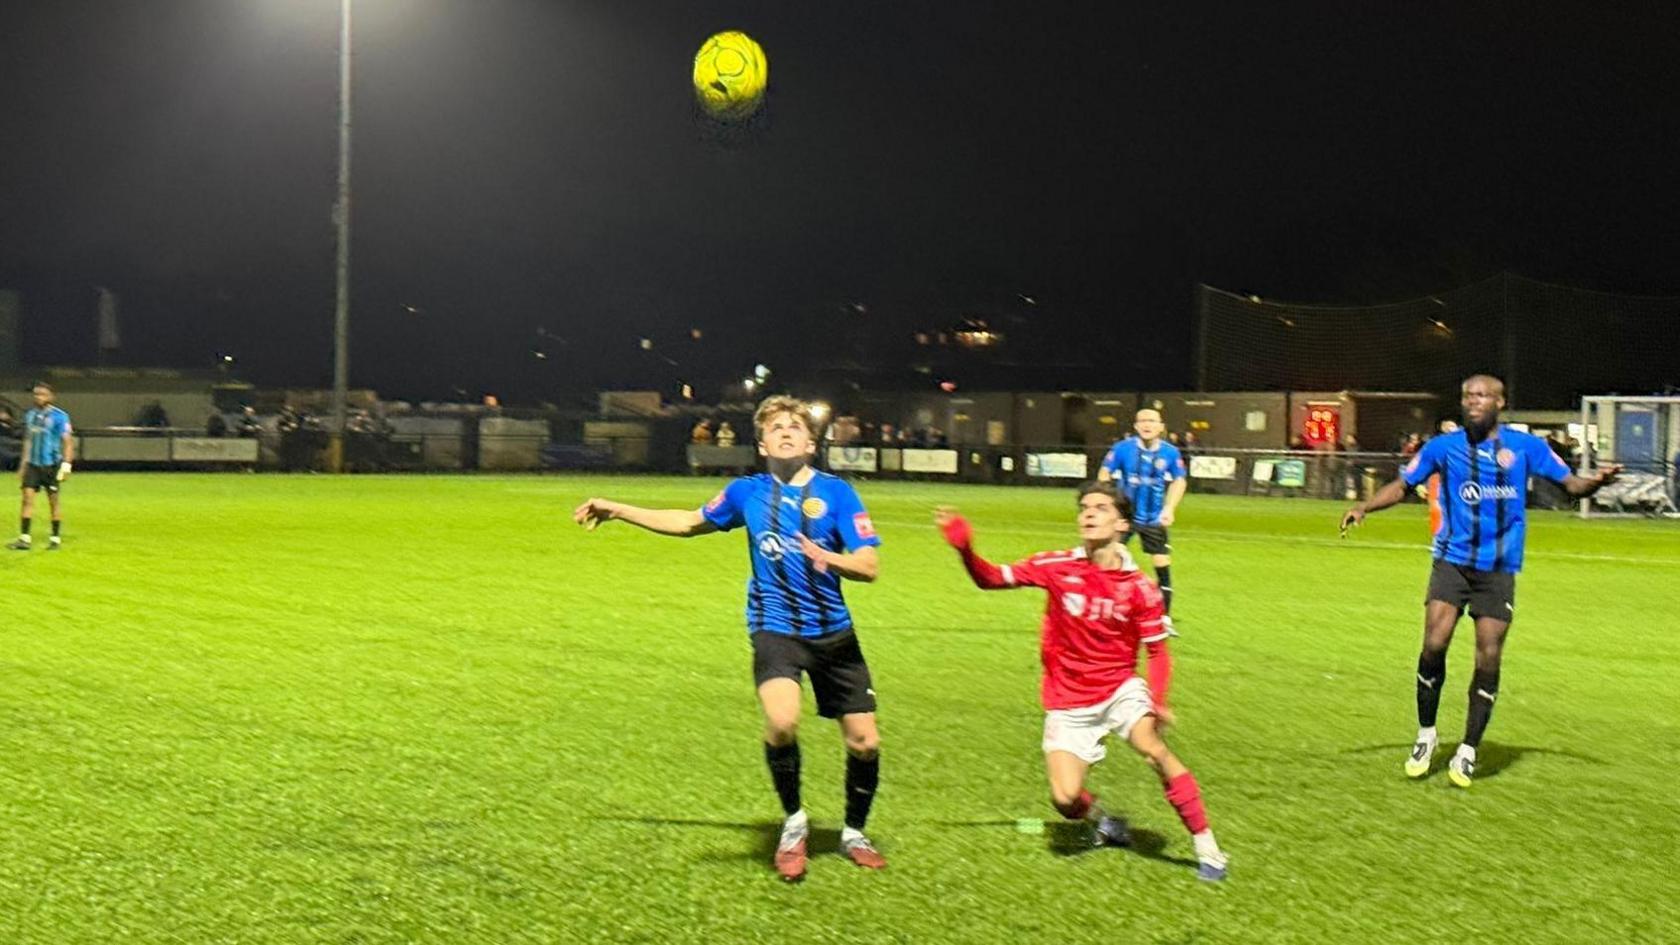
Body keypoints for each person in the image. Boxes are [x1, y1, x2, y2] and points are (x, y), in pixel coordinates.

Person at [573, 395, 886, 881]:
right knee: (782, 722)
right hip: (775, 627)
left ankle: (854, 832)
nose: (786, 432)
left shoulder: (839, 494)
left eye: (795, 427)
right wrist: (618, 509)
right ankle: (794, 823)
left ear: (810, 441)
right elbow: (687, 522)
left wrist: (830, 558)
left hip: (834, 634)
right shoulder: (746, 493)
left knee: (864, 742)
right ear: (762, 444)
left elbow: (869, 565)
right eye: (776, 427)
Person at [934, 482, 1229, 881]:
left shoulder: (1140, 587)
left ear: (1122, 523)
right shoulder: (1056, 565)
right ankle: (1105, 821)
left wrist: (1157, 701)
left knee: (1151, 746)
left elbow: (1158, 652)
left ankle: (1207, 846)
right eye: (1084, 507)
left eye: (1100, 507)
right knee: (1065, 799)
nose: (1088, 513)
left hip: (1119, 688)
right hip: (1068, 698)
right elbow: (990, 579)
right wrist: (965, 551)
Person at [1340, 375, 1620, 787]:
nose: (1473, 402)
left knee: (1488, 657)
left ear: (1499, 402)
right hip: (1452, 562)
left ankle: (1469, 748)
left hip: (1499, 569)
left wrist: (1596, 482)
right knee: (1434, 644)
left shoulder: (1526, 448)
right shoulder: (1443, 448)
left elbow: (1571, 485)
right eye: (1468, 395)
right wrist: (1366, 507)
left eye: (1482, 395)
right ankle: (1427, 734)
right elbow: (1404, 485)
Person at [1097, 408, 1186, 616]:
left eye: (1152, 421)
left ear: (1161, 426)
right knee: (1107, 558)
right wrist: (1106, 502)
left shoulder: (1170, 452)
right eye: (1142, 421)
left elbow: (1179, 481)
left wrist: (1169, 508)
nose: (1147, 425)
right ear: (1136, 426)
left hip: (1153, 518)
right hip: (1124, 517)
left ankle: (1164, 617)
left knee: (1161, 563)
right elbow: (1104, 473)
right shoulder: (1122, 449)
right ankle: (1102, 608)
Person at [9, 383, 74, 551]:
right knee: (26, 499)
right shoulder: (30, 415)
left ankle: (55, 538)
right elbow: (28, 441)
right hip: (33, 464)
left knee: (53, 501)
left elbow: (67, 442)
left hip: (51, 465)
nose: (38, 397)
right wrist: (23, 465)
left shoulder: (60, 417)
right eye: (36, 394)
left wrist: (66, 465)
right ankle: (24, 538)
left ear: (51, 397)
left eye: (43, 394)